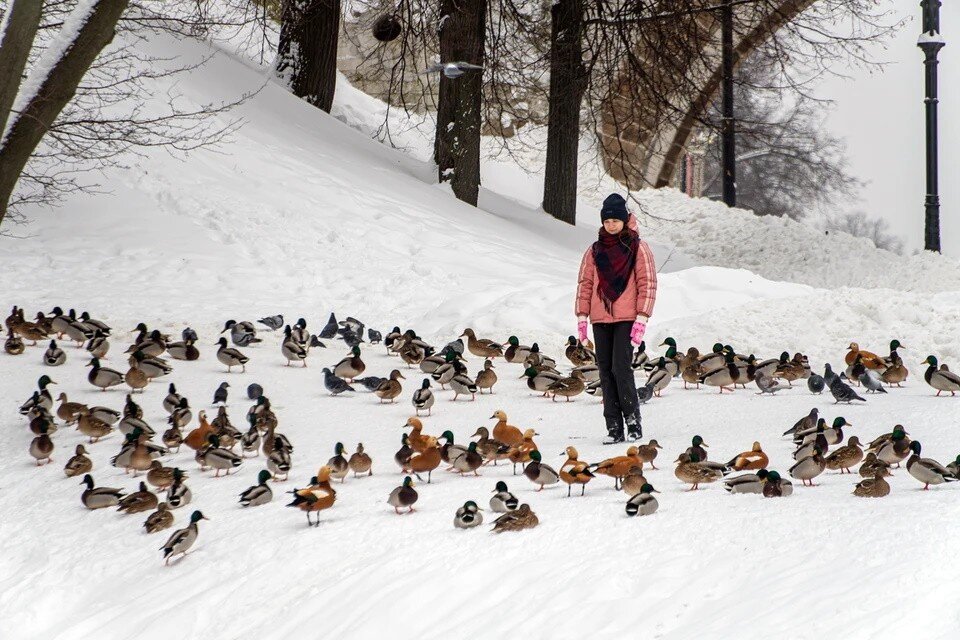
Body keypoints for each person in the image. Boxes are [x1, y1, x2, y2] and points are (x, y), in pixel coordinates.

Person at [575, 193, 657, 444]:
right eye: (607, 221)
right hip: (600, 318)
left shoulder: (638, 247)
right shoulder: (595, 250)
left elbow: (648, 283)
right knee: (605, 371)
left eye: (615, 220)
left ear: (624, 220)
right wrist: (581, 316)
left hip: (627, 318)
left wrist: (642, 318)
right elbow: (585, 283)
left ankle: (633, 422)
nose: (611, 225)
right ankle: (613, 426)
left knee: (621, 368)